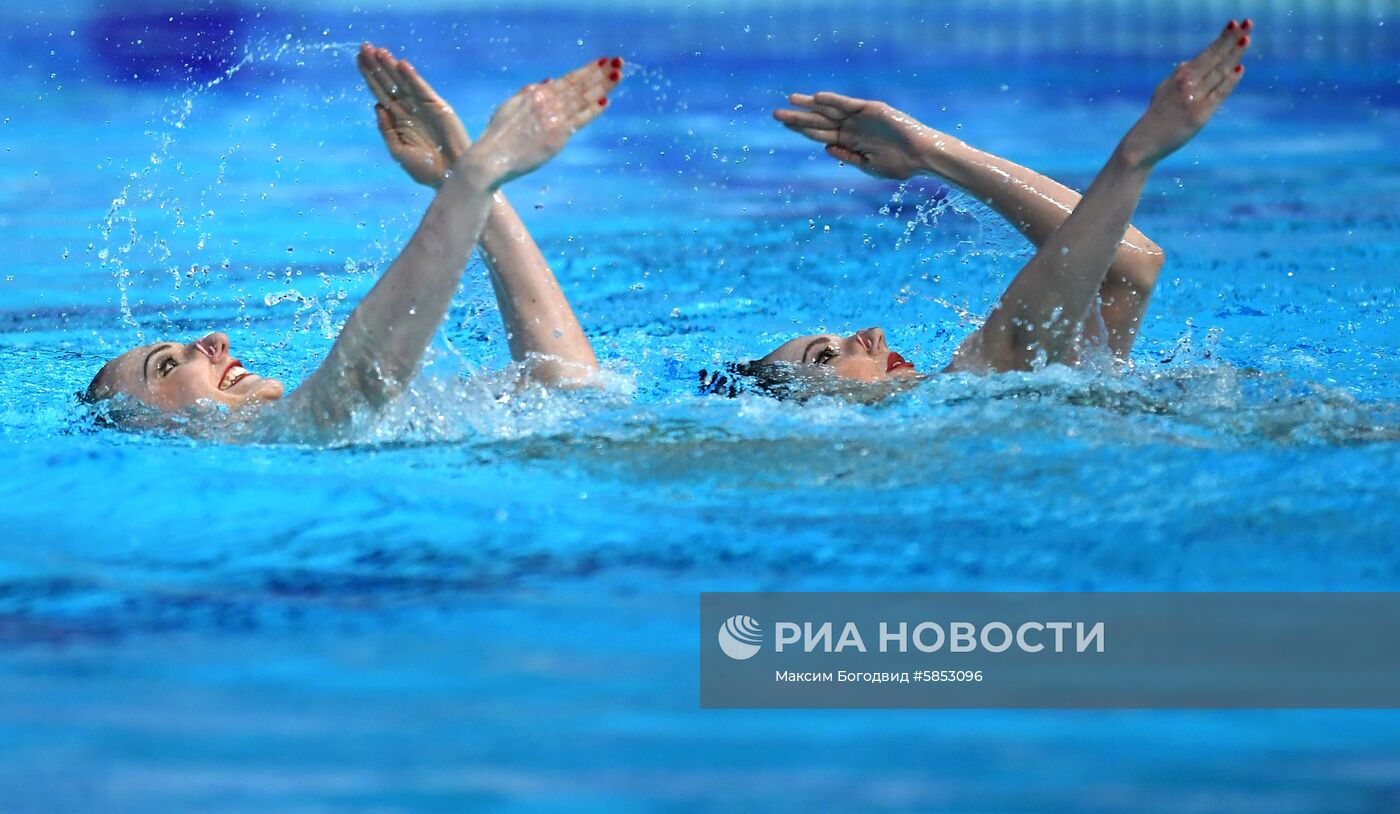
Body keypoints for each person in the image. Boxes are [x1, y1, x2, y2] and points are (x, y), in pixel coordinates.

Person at [81, 46, 624, 433]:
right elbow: (361, 383)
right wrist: (482, 170)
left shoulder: (307, 428)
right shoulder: (286, 438)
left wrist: (463, 179)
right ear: (156, 429)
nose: (213, 341)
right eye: (168, 365)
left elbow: (570, 390)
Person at [738, 18, 1253, 393]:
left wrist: (933, 153)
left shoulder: (961, 397)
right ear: (814, 409)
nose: (870, 335)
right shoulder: (964, 392)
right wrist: (1137, 153)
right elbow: (1033, 326)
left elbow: (1131, 266)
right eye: (826, 356)